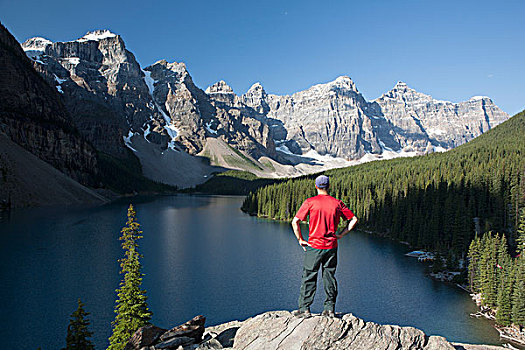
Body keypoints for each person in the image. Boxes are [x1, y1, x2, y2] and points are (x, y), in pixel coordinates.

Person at [291, 175, 358, 318]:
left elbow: (295, 222)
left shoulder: (310, 202)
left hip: (314, 246)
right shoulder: (337, 203)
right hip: (331, 246)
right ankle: (329, 309)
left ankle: (304, 309)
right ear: (328, 187)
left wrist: (300, 239)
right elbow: (353, 219)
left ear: (316, 186)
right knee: (329, 276)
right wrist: (341, 234)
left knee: (309, 276)